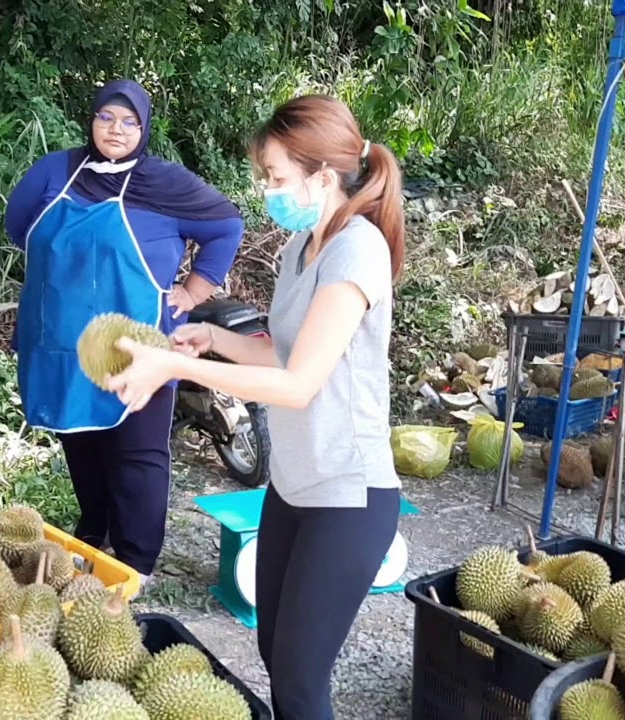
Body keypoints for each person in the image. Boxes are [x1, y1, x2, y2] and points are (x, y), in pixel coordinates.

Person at [104, 94, 405, 719]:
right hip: (294, 485)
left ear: (322, 176)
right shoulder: (303, 247)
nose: (267, 190)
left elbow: (299, 384)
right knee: (273, 650)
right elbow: (281, 352)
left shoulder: (357, 250)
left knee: (298, 680)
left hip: (349, 492)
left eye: (276, 178)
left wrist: (174, 366)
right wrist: (214, 340)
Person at [3, 78, 245, 587]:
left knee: (137, 451)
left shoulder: (166, 183)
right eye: (106, 118)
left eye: (129, 121)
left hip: (140, 341)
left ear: (145, 127)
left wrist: (194, 292)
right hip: (62, 338)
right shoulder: (57, 171)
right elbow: (18, 225)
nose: (116, 129)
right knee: (80, 439)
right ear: (90, 121)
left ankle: (135, 562)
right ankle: (94, 535)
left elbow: (226, 225)